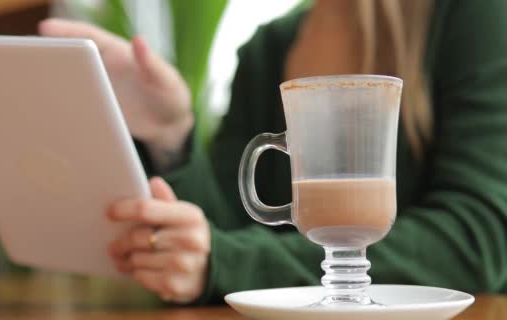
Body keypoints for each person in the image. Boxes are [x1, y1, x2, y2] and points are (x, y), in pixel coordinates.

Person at [38, 0, 507, 304]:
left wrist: (225, 261)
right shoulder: (266, 49)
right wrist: (170, 131)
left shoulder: (474, 15)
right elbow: (228, 231)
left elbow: (477, 238)